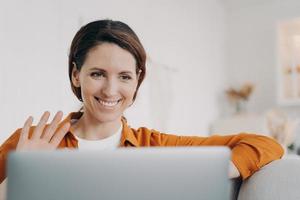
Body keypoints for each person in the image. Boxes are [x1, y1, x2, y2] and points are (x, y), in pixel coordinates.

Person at [0, 19, 283, 184]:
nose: (111, 90)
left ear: (137, 80)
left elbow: (265, 144)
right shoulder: (32, 144)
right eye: (97, 74)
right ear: (76, 75)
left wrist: (205, 172)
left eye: (124, 77)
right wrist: (21, 176)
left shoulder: (155, 146)